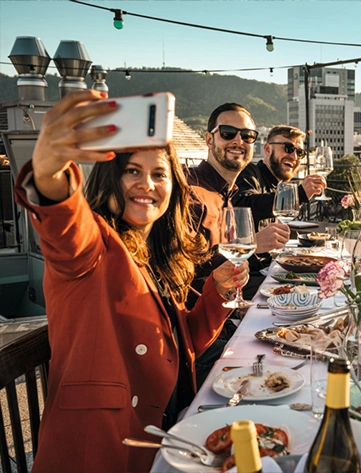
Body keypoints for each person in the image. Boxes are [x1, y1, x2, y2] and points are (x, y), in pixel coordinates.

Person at [13, 90, 248, 473]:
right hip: (101, 450)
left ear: (173, 187)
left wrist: (217, 294)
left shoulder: (154, 253)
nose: (147, 184)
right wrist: (50, 168)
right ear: (110, 178)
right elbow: (63, 223)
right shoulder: (93, 245)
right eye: (132, 171)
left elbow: (177, 347)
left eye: (159, 174)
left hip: (163, 438)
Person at [187, 103, 290, 386]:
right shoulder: (191, 193)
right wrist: (251, 245)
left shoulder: (226, 194)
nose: (238, 141)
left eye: (247, 136)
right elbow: (186, 271)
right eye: (228, 133)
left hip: (225, 318)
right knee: (284, 369)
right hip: (197, 338)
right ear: (209, 139)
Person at [232, 125, 325, 230]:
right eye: (288, 148)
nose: (294, 157)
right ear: (267, 149)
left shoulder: (279, 186)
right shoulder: (249, 171)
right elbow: (241, 207)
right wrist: (299, 194)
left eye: (299, 153)